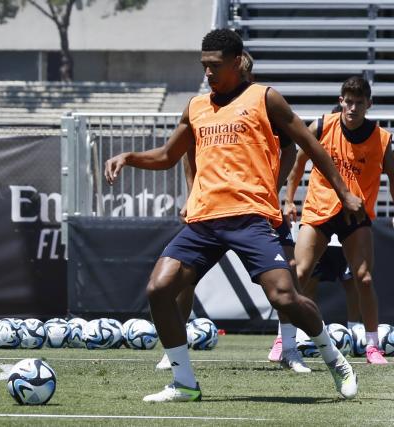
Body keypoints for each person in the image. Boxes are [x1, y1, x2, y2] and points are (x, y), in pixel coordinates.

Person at [105, 29, 363, 402]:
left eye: (215, 65)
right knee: (159, 289)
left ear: (237, 62)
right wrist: (128, 157)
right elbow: (166, 156)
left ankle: (334, 359)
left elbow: (310, 144)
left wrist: (343, 191)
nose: (208, 73)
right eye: (204, 66)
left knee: (285, 298)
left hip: (250, 217)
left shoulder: (264, 98)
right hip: (204, 220)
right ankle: (184, 383)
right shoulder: (195, 107)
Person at [156, 50, 311, 374]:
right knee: (182, 281)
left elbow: (290, 150)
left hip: (257, 208)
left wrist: (273, 188)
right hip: (213, 208)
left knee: (286, 279)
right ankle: (175, 352)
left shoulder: (263, 106)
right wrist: (192, 192)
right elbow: (187, 152)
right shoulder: (209, 109)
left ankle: (290, 348)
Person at [283, 76, 394, 364]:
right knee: (298, 273)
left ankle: (372, 347)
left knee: (364, 279)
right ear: (340, 101)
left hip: (356, 216)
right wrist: (288, 200)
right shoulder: (321, 126)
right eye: (349, 101)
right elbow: (297, 166)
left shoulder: (381, 139)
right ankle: (285, 341)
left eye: (359, 102)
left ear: (369, 104)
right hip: (319, 209)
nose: (353, 107)